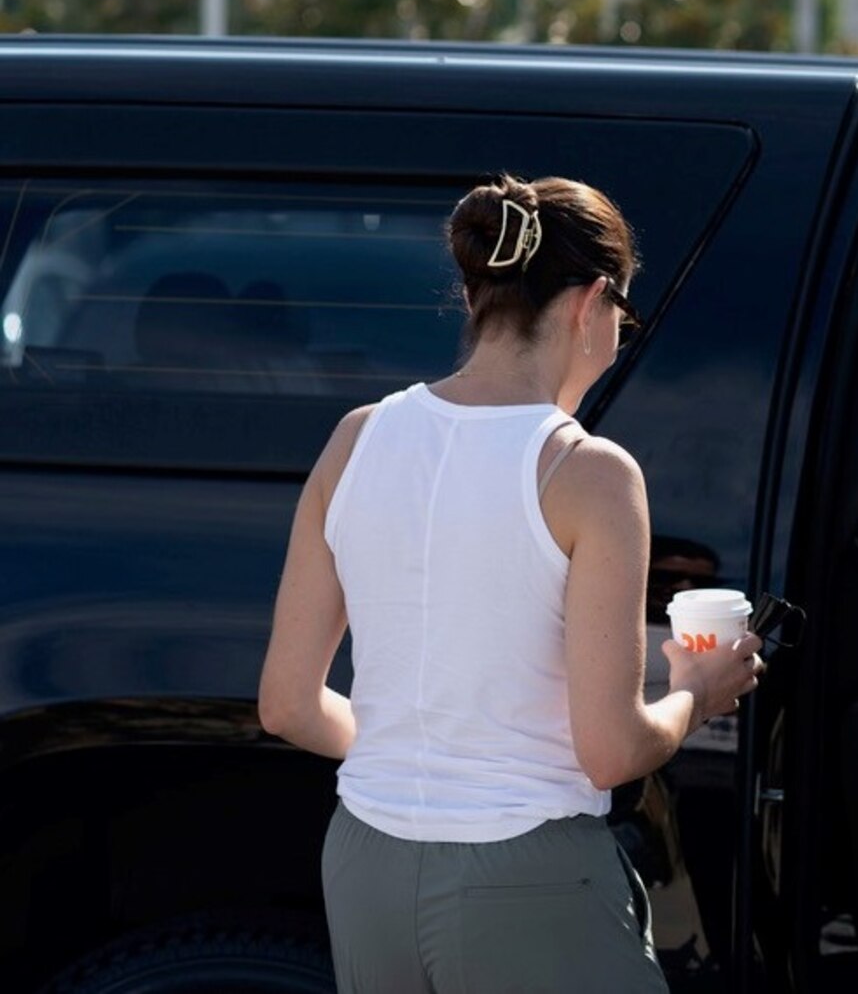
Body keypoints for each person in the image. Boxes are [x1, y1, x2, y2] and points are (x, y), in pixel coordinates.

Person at [258, 174, 763, 993]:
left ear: (473, 293)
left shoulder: (356, 438)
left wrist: (428, 753)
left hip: (365, 864)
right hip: (528, 876)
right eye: (622, 320)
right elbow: (610, 752)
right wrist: (698, 691)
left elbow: (286, 703)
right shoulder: (588, 471)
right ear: (591, 301)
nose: (615, 338)